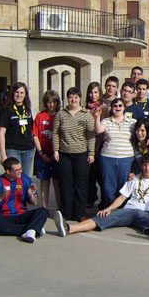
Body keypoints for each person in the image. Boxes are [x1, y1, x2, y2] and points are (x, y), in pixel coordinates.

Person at [54, 152, 149, 243]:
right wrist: (108, 208)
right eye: (145, 165)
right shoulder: (134, 178)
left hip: (146, 212)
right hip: (128, 210)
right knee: (102, 218)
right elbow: (121, 198)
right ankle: (69, 228)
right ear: (141, 166)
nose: (147, 168)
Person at [53, 87, 95, 221]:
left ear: (80, 99)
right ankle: (66, 212)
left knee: (81, 184)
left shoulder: (86, 114)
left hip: (81, 153)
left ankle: (80, 213)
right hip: (64, 154)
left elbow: (91, 135)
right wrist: (55, 150)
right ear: (67, 98)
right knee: (66, 183)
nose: (73, 99)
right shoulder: (61, 114)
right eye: (71, 97)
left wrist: (91, 153)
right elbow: (55, 133)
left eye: (76, 97)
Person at [0, 157, 45, 243]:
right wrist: (1, 197)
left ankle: (32, 229)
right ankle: (33, 229)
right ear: (8, 172)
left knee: (43, 211)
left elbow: (35, 203)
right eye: (17, 170)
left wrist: (31, 195)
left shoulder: (25, 179)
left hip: (22, 215)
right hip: (5, 216)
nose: (20, 171)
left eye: (21, 168)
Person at [94, 98, 136, 209]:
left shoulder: (132, 122)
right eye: (115, 106)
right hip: (108, 157)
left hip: (126, 158)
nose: (117, 108)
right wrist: (98, 116)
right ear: (111, 108)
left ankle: (121, 211)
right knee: (108, 187)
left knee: (123, 186)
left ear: (124, 108)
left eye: (120, 105)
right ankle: (108, 210)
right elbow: (98, 130)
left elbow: (142, 132)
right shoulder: (106, 121)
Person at [32, 90, 61, 211]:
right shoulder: (40, 116)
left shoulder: (60, 115)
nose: (51, 105)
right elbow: (35, 135)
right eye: (49, 102)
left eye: (54, 102)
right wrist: (41, 152)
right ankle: (44, 207)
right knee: (44, 181)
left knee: (57, 181)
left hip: (56, 153)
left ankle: (60, 207)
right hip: (42, 153)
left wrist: (57, 152)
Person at [0, 82, 35, 175]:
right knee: (14, 176)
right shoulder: (6, 110)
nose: (19, 95)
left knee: (25, 177)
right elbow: (1, 133)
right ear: (12, 93)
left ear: (25, 95)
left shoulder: (27, 109)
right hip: (13, 149)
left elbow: (31, 129)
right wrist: (3, 154)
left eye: (22, 93)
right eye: (17, 92)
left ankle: (23, 190)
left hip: (28, 149)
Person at [85, 81, 104, 207]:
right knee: (89, 175)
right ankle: (90, 199)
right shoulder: (84, 109)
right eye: (91, 92)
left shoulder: (104, 108)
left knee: (101, 175)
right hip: (88, 144)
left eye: (96, 92)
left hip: (100, 144)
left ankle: (104, 200)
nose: (93, 95)